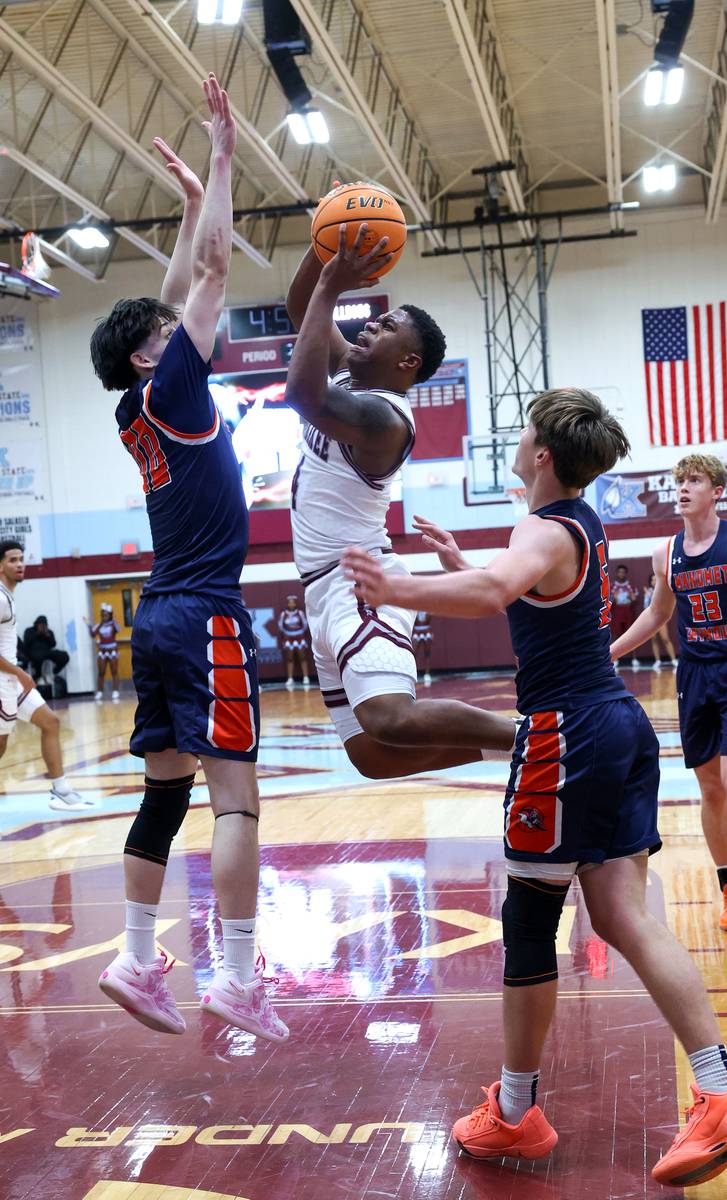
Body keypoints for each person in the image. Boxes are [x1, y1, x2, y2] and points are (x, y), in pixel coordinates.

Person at [343, 390, 727, 1188]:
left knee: (530, 922)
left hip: (565, 736)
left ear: (542, 451)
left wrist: (396, 588)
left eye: (524, 431)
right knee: (621, 915)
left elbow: (494, 594)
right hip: (618, 725)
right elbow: (522, 592)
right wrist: (458, 565)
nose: (517, 440)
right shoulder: (579, 522)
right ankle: (721, 1090)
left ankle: (515, 1112)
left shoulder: (541, 529)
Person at [89, 76, 287, 1043]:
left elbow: (169, 295)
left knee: (165, 790)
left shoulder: (137, 406)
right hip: (204, 612)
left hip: (158, 616)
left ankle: (133, 955)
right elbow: (206, 275)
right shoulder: (169, 388)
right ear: (148, 358)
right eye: (167, 339)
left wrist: (182, 200)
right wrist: (219, 159)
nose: (184, 334)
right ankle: (238, 977)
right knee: (237, 800)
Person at [283, 216, 516, 779]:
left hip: (358, 581)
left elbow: (299, 394)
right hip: (322, 587)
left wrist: (333, 286)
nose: (368, 326)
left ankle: (553, 737)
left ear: (407, 363)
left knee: (390, 718)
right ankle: (513, 750)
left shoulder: (385, 418)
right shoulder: (348, 374)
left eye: (384, 327)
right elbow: (299, 309)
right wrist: (323, 248)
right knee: (372, 756)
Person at [610, 454, 727, 942]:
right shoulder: (664, 553)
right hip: (694, 676)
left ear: (717, 490)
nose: (683, 489)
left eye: (694, 480)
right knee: (711, 788)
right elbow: (657, 614)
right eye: (679, 482)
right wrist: (608, 651)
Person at [0, 541, 90, 811]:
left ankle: (61, 790)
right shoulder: (1, 598)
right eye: (13, 560)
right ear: (0, 565)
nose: (20, 565)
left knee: (50, 722)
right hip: (4, 681)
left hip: (13, 681)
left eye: (21, 559)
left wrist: (17, 674)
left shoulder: (9, 596)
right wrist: (18, 672)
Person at [86, 603, 121, 701]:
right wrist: (89, 625)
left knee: (114, 671)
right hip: (102, 650)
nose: (104, 616)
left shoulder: (113, 624)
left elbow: (119, 629)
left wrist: (114, 620)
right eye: (103, 614)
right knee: (101, 672)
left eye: (107, 614)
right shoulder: (99, 625)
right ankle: (100, 692)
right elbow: (93, 634)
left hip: (113, 650)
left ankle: (115, 691)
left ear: (110, 615)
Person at [643, 571, 678, 668]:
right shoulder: (648, 592)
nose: (654, 581)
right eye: (653, 580)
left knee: (666, 639)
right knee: (654, 640)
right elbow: (646, 606)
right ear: (650, 582)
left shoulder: (662, 590)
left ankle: (674, 660)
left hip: (661, 618)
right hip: (651, 619)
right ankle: (657, 660)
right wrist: (647, 595)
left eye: (656, 579)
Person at [22, 615, 70, 685]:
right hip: (33, 652)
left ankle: (53, 673)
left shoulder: (48, 632)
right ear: (36, 624)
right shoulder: (29, 631)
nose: (43, 626)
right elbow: (26, 644)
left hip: (47, 652)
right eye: (41, 625)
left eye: (44, 625)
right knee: (38, 657)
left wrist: (48, 636)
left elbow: (53, 644)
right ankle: (38, 676)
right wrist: (37, 634)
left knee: (64, 656)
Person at [277, 595, 310, 689]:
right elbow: (280, 626)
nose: (291, 604)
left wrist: (298, 633)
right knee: (289, 658)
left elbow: (305, 625)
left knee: (303, 657)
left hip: (300, 638)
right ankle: (290, 678)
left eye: (293, 602)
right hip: (288, 639)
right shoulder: (284, 614)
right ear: (288, 604)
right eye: (290, 602)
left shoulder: (300, 613)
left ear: (295, 603)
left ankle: (306, 677)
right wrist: (288, 634)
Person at [610, 564, 640, 667]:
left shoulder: (630, 586)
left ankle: (634, 659)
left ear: (626, 574)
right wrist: (614, 598)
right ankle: (614, 659)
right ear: (616, 573)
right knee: (615, 635)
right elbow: (607, 601)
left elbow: (635, 600)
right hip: (616, 613)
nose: (621, 574)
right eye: (619, 572)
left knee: (631, 635)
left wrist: (632, 598)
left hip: (628, 613)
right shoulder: (612, 586)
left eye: (623, 572)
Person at [412, 611, 433, 686]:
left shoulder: (427, 609)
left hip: (426, 630)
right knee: (413, 653)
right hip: (417, 631)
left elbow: (429, 619)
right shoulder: (413, 609)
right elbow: (414, 621)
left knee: (427, 653)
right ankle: (413, 673)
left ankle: (427, 674)